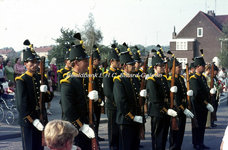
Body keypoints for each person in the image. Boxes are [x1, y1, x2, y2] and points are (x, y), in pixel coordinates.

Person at [60, 33, 98, 150]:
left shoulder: (87, 79)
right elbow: (68, 109)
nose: (88, 63)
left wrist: (96, 99)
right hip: (75, 130)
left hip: (88, 126)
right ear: (76, 63)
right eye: (85, 61)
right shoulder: (68, 82)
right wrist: (82, 127)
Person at [16, 40, 53, 150]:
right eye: (32, 62)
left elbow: (48, 98)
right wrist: (33, 120)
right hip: (29, 121)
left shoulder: (41, 78)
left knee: (39, 147)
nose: (35, 64)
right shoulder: (22, 80)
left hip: (41, 118)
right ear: (25, 64)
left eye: (36, 62)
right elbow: (21, 105)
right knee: (30, 147)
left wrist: (46, 91)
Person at [113, 46, 146, 150]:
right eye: (130, 65)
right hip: (126, 120)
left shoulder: (135, 79)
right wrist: (132, 117)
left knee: (135, 147)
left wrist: (143, 96)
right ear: (124, 66)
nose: (133, 66)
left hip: (137, 118)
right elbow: (121, 102)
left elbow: (138, 101)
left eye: (133, 64)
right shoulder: (119, 80)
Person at [146, 51, 178, 150]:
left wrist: (172, 92)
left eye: (164, 66)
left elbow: (166, 94)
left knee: (164, 138)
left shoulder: (163, 78)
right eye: (161, 66)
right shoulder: (152, 80)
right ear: (155, 68)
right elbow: (155, 100)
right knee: (157, 138)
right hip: (157, 113)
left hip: (165, 113)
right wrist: (166, 110)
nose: (163, 68)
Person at [189, 50, 216, 150]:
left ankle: (201, 142)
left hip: (203, 106)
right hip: (198, 106)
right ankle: (196, 143)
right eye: (202, 66)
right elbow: (197, 93)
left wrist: (210, 93)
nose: (204, 67)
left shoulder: (203, 78)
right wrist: (206, 103)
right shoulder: (194, 78)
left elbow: (204, 90)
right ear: (197, 67)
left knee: (202, 125)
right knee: (197, 126)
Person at [167, 57, 194, 150]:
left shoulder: (181, 79)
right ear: (172, 68)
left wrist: (187, 103)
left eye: (180, 66)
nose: (180, 68)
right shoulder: (170, 80)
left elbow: (182, 96)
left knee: (181, 132)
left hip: (183, 110)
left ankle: (178, 147)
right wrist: (183, 108)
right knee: (175, 133)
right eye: (178, 67)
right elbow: (175, 99)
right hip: (176, 111)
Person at [103, 44, 121, 149]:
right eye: (117, 61)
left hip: (119, 105)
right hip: (112, 105)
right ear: (111, 62)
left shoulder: (120, 73)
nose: (119, 63)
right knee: (113, 129)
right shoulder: (107, 75)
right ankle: (113, 147)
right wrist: (118, 102)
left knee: (119, 129)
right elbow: (108, 93)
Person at [91, 45, 105, 141]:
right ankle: (93, 135)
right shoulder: (89, 71)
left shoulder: (99, 70)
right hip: (93, 98)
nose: (99, 61)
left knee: (98, 117)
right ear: (93, 60)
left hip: (99, 98)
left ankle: (96, 134)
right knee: (93, 118)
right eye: (97, 59)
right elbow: (93, 85)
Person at [204, 63, 212, 129]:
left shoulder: (208, 76)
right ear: (208, 69)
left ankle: (208, 123)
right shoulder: (205, 76)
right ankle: (206, 123)